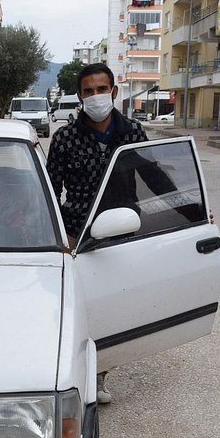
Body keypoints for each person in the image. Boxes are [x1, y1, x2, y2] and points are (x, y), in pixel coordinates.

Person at [46, 62, 148, 405]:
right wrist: (62, 235)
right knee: (82, 307)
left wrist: (192, 209)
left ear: (114, 92)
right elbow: (50, 192)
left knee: (115, 305)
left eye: (101, 89)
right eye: (88, 91)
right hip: (79, 236)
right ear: (79, 96)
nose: (95, 96)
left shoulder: (132, 133)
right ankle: (77, 375)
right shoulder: (65, 139)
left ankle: (102, 371)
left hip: (121, 231)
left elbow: (155, 177)